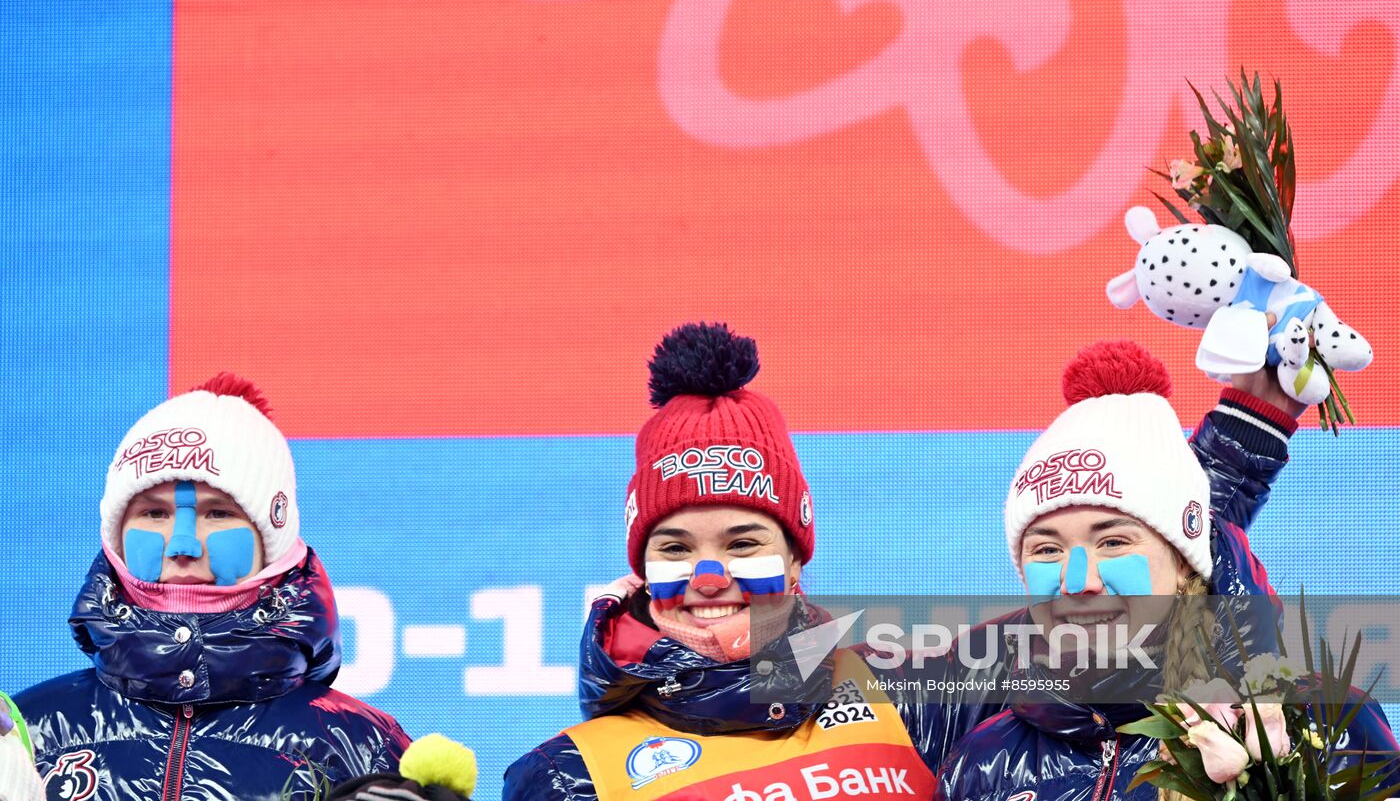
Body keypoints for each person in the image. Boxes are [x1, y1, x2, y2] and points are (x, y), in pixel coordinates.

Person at [500, 325, 1298, 799]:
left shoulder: (898, 695)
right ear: (639, 570)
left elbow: (1111, 607)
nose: (712, 579)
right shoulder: (570, 775)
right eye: (676, 548)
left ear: (796, 561)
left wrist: (1238, 437)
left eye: (745, 545)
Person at [933, 342, 1399, 800]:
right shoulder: (983, 764)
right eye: (1047, 550)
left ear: (1183, 560)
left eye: (1113, 542)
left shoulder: (1316, 726)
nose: (1079, 582)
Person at [14, 373, 410, 798]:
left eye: (218, 513)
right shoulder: (23, 734)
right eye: (154, 513)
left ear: (272, 542)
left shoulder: (365, 748)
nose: (182, 545)